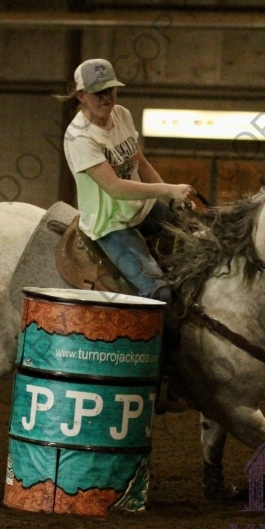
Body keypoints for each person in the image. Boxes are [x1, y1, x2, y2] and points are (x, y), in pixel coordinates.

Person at [58, 58, 195, 411]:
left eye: (111, 90)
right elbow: (116, 188)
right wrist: (168, 189)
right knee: (157, 291)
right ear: (81, 96)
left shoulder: (121, 115)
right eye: (99, 93)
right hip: (111, 225)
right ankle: (157, 376)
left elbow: (139, 163)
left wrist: (169, 197)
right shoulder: (79, 137)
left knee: (199, 247)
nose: (108, 97)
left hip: (144, 209)